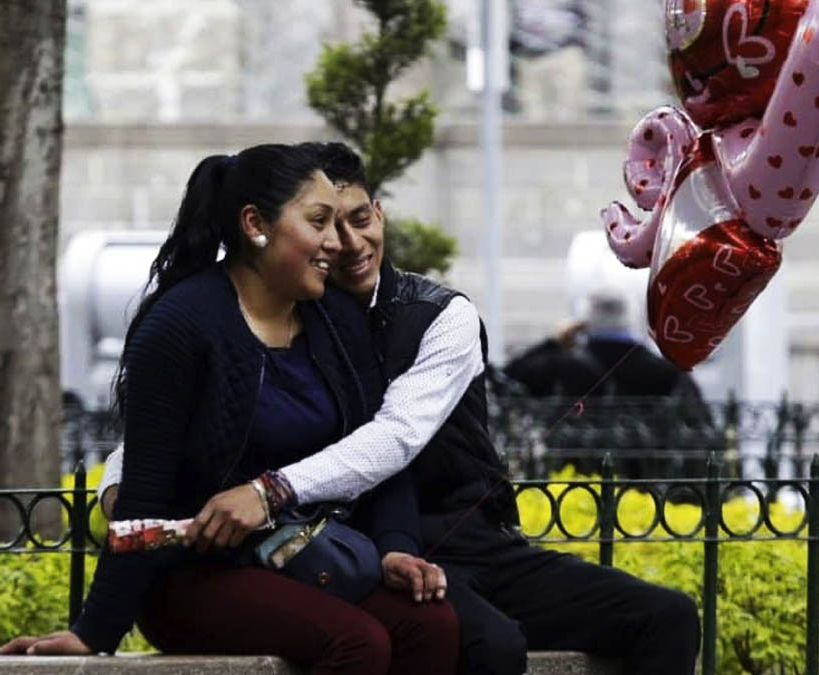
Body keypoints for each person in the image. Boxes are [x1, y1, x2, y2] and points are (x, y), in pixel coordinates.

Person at [101, 142, 700, 674]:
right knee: (484, 646)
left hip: (460, 536)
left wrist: (269, 491)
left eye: (359, 219)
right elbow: (177, 421)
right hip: (344, 546)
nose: (346, 241)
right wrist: (118, 479)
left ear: (379, 214)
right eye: (324, 224)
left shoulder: (439, 315)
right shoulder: (289, 315)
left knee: (666, 616)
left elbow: (394, 437)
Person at [0, 144, 458, 675]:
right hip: (196, 575)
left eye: (338, 223)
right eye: (318, 222)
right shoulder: (181, 325)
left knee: (431, 626)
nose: (337, 243)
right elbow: (144, 493)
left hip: (310, 554)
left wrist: (395, 549)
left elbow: (375, 452)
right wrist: (93, 632)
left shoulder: (334, 317)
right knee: (358, 644)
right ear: (255, 225)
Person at [503, 288, 716, 482]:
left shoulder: (562, 365)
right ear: (631, 319)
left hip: (575, 483)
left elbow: (506, 379)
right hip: (648, 484)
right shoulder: (666, 371)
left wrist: (554, 342)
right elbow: (700, 428)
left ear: (584, 322)